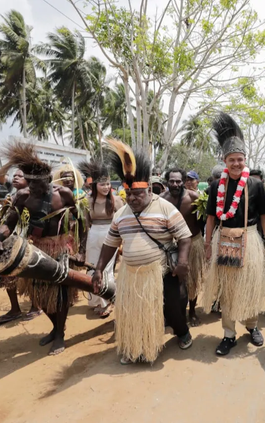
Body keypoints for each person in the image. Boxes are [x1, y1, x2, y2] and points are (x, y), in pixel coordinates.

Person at [92, 139, 193, 365]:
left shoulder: (165, 207)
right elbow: (110, 244)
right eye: (129, 195)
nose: (132, 199)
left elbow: (185, 237)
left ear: (148, 189)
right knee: (133, 312)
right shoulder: (121, 215)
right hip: (131, 274)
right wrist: (99, 269)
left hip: (161, 271)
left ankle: (182, 331)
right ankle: (135, 347)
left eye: (137, 195)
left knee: (174, 305)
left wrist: (183, 261)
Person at [0, 142, 86, 355]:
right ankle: (56, 328)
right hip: (37, 248)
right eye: (30, 185)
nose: (33, 189)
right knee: (38, 295)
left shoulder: (63, 194)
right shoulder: (23, 196)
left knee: (60, 293)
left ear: (47, 180)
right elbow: (10, 221)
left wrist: (81, 249)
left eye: (37, 185)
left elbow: (80, 221)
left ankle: (60, 334)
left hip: (61, 246)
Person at [202, 113, 265, 356]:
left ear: (245, 160)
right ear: (225, 161)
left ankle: (252, 327)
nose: (236, 163)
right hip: (223, 238)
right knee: (228, 289)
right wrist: (207, 243)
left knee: (250, 286)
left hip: (250, 238)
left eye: (240, 159)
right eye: (232, 160)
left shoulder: (254, 185)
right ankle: (228, 334)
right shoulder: (215, 186)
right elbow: (211, 217)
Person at [0, 169, 42, 324]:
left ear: (28, 180)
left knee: (32, 274)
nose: (15, 177)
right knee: (7, 274)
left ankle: (36, 306)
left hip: (28, 239)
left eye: (20, 176)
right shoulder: (11, 196)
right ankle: (15, 309)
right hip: (11, 238)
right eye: (14, 175)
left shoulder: (33, 198)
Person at [78, 158, 124, 318]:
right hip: (93, 236)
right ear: (94, 185)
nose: (106, 187)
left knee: (106, 270)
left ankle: (108, 301)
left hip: (110, 237)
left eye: (108, 184)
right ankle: (96, 300)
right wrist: (82, 248)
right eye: (102, 184)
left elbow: (123, 220)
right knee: (92, 268)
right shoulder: (87, 201)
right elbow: (85, 225)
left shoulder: (117, 200)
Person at [162, 168, 205, 326]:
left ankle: (192, 312)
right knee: (169, 281)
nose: (175, 184)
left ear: (184, 182)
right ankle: (171, 313)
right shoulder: (161, 199)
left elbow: (203, 221)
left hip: (193, 243)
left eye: (178, 181)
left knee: (192, 280)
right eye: (172, 181)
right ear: (167, 182)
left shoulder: (194, 197)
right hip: (169, 246)